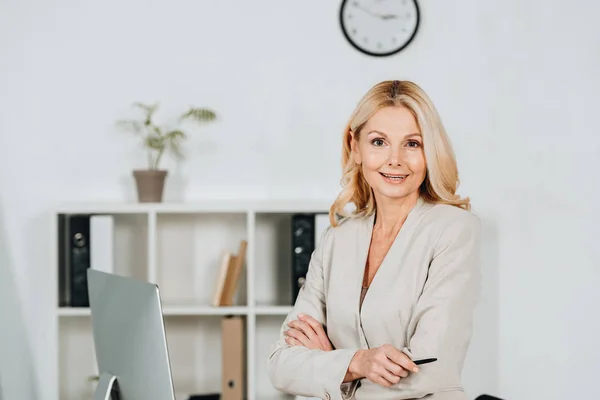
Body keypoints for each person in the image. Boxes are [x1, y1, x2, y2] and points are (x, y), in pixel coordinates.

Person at [266, 80, 482, 400]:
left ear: (430, 151)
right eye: (379, 142)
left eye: (412, 144)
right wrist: (356, 362)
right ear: (356, 146)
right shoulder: (336, 240)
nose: (394, 160)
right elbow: (280, 365)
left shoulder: (453, 229)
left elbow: (432, 368)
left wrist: (335, 368)